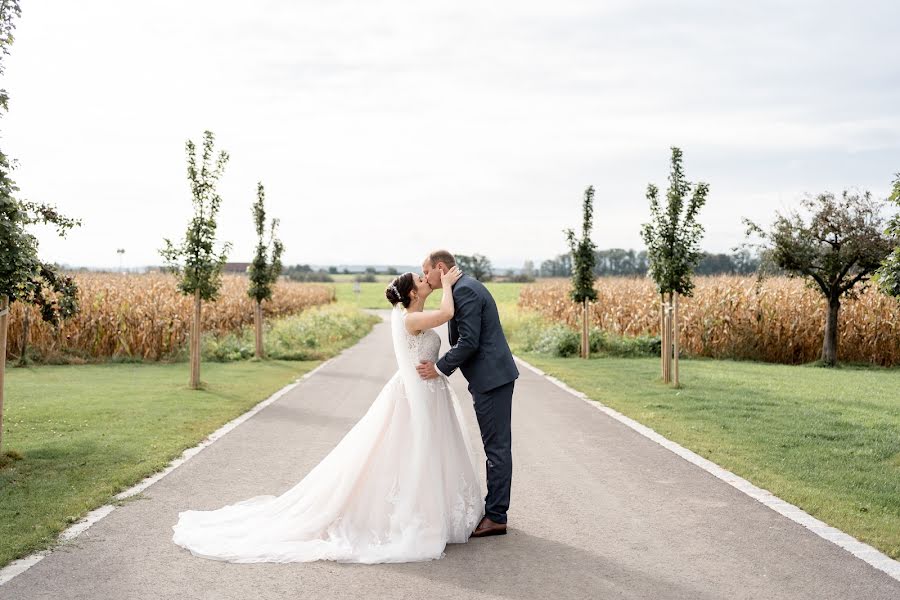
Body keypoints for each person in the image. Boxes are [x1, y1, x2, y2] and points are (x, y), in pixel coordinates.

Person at [172, 265, 483, 563]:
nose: (424, 277)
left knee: (426, 451)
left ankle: (436, 511)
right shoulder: (408, 319)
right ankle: (414, 516)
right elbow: (446, 314)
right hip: (414, 393)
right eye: (420, 278)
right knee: (406, 452)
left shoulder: (415, 314)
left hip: (427, 393)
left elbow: (441, 318)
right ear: (413, 294)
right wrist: (446, 285)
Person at [417, 249, 519, 538]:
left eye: (426, 272)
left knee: (496, 448)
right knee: (495, 446)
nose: (425, 277)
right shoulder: (460, 288)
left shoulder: (465, 291)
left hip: (493, 380)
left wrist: (438, 368)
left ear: (440, 267)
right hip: (489, 379)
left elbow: (469, 341)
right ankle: (495, 511)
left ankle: (497, 516)